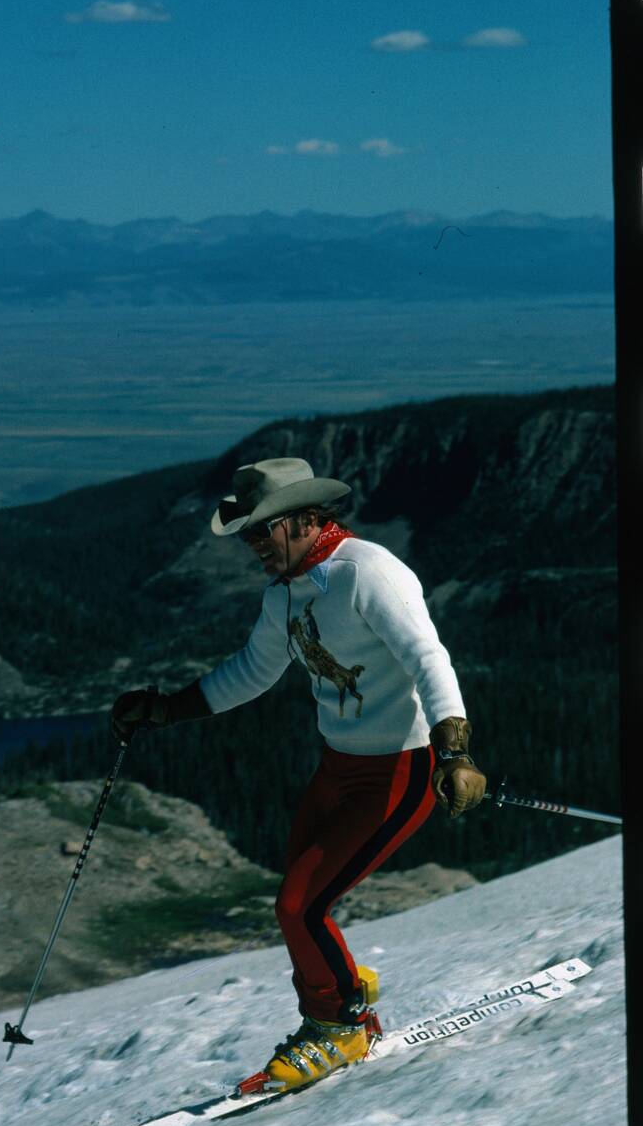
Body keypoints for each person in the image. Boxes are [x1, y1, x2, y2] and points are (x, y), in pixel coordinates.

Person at [110, 456, 486, 1092]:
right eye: (248, 535)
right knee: (300, 901)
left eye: (262, 531)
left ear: (305, 520)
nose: (254, 545)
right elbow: (253, 671)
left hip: (401, 769)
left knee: (299, 906)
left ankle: (340, 1027)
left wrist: (454, 752)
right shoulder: (285, 590)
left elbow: (429, 657)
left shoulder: (368, 572)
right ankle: (345, 992)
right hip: (339, 766)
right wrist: (165, 709)